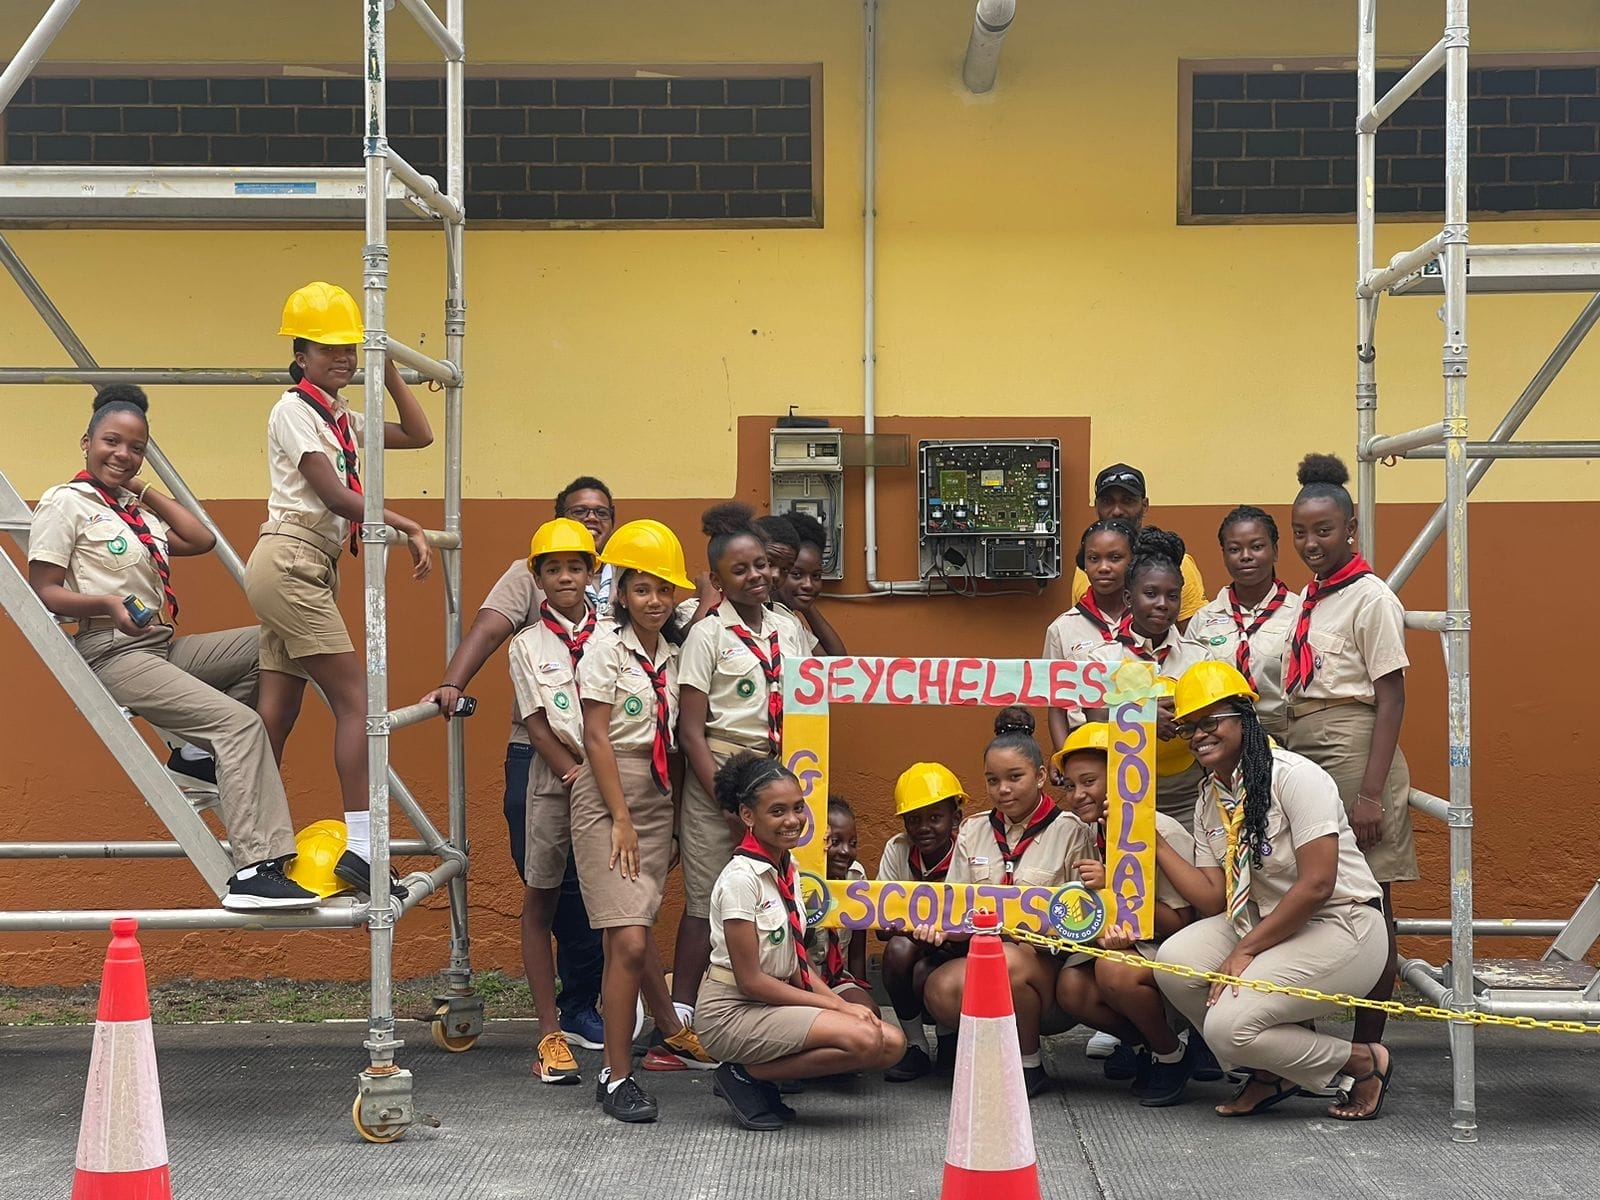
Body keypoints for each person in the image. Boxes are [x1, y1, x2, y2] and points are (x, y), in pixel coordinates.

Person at [28, 387, 317, 911]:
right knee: (240, 725)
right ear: (86, 442)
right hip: (111, 651)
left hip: (160, 648)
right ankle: (255, 870)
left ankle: (196, 760)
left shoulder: (131, 511)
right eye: (111, 442)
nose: (121, 454)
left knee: (275, 639)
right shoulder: (65, 502)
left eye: (135, 448)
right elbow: (43, 588)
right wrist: (107, 603)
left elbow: (199, 538)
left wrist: (142, 488)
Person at [243, 281, 433, 897]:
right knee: (358, 704)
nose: (343, 358)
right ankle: (362, 847)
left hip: (309, 565)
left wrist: (389, 371)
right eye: (329, 349)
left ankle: (253, 837)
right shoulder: (293, 409)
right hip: (290, 560)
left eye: (351, 348)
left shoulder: (340, 416)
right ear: (300, 355)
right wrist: (402, 521)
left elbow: (419, 433)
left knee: (279, 709)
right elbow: (331, 492)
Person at [419, 478, 615, 1053]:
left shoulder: (623, 573)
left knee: (597, 885)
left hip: (607, 752)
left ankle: (582, 1004)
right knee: (545, 877)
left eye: (600, 512)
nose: (591, 517)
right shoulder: (530, 572)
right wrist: (454, 679)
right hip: (537, 751)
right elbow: (490, 626)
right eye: (578, 511)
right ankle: (558, 1015)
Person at [1156, 661, 1394, 1120]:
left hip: (1343, 925)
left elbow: (1318, 884)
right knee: (1175, 965)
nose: (1198, 736)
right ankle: (1274, 1071)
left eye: (1210, 722)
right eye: (1188, 727)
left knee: (1227, 1027)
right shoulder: (1212, 796)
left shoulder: (1294, 775)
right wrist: (1156, 842)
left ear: (1244, 717)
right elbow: (1211, 898)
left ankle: (1363, 1062)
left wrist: (1245, 951)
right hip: (1265, 923)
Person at [568, 520, 716, 1123]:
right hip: (611, 799)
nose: (654, 601)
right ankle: (614, 1074)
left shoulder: (679, 655)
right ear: (621, 592)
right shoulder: (605, 649)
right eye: (641, 589)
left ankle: (661, 1034)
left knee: (631, 936)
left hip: (659, 800)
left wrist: (674, 820)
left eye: (664, 590)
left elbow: (680, 743)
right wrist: (622, 818)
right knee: (628, 939)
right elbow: (597, 738)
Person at [1282, 453, 1416, 1115]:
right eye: (1302, 533)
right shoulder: (1314, 597)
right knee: (1309, 891)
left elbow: (1391, 698)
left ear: (1351, 527)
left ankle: (1369, 1061)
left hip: (1358, 750)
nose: (1311, 544)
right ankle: (1304, 1059)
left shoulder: (1370, 596)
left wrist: (1368, 794)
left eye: (1324, 531)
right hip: (1309, 743)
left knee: (1372, 905)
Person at [698, 754, 905, 1131]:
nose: (792, 820)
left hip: (771, 1005)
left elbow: (795, 962)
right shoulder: (740, 880)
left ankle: (756, 1077)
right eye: (777, 811)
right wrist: (838, 1009)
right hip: (732, 1010)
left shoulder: (788, 869)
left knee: (889, 1042)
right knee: (861, 1037)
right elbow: (752, 981)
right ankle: (744, 1074)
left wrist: (839, 1003)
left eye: (797, 807)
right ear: (748, 816)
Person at [669, 503, 815, 1031]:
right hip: (720, 781)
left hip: (772, 783)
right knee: (707, 899)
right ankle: (681, 1019)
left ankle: (766, 1012)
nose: (757, 576)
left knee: (770, 900)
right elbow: (690, 731)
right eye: (741, 570)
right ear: (717, 580)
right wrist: (729, 804)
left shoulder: (788, 628)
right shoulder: (707, 635)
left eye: (761, 565)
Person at [918, 730, 1095, 1097]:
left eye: (1015, 777)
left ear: (1041, 776)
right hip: (984, 953)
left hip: (1046, 965)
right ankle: (994, 1059)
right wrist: (940, 928)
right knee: (939, 987)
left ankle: (1029, 1066)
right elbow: (955, 903)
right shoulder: (973, 829)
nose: (1003, 789)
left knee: (1009, 962)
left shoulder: (1070, 831)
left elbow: (1082, 915)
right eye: (993, 780)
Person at [1049, 722, 1215, 1106]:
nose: (1077, 794)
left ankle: (1172, 1056)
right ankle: (1152, 1045)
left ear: (1122, 778)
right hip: (1123, 947)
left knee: (1114, 971)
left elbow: (1183, 923)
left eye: (1089, 781)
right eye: (1070, 786)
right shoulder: (1091, 834)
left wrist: (1118, 893)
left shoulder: (1161, 831)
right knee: (1071, 987)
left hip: (1173, 954)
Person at [505, 518, 597, 1085]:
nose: (566, 577)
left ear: (593, 572)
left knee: (606, 903)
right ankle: (549, 1035)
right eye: (553, 568)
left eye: (576, 566)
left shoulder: (613, 634)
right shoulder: (526, 644)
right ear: (538, 577)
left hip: (607, 780)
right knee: (542, 899)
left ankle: (608, 1017)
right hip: (554, 780)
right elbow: (538, 727)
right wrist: (579, 777)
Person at [1086, 527, 1207, 821]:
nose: (1162, 604)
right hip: (1123, 792)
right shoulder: (1103, 659)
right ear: (1128, 598)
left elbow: (1213, 715)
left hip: (1190, 793)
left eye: (1172, 596)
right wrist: (1143, 714)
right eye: (1150, 594)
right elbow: (1094, 717)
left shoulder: (1198, 656)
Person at [876, 761, 964, 1082]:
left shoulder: (968, 852)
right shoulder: (897, 850)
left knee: (931, 968)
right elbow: (883, 925)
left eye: (935, 818)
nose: (923, 827)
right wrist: (915, 928)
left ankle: (949, 1040)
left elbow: (975, 920)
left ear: (956, 818)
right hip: (913, 944)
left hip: (957, 948)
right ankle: (916, 1045)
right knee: (898, 950)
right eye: (913, 819)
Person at [1185, 506, 1300, 738]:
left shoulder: (1300, 613)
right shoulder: (1203, 620)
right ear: (1224, 556)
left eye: (1257, 547)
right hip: (1222, 741)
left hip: (1288, 739)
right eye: (1235, 549)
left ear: (1275, 551)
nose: (1246, 556)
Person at [1071, 464, 1206, 630]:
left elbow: (1192, 634)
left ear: (1145, 505)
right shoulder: (1087, 566)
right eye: (1108, 502)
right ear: (1097, 507)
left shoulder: (1173, 562)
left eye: (1128, 501)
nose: (1117, 511)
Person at [1044, 518, 1138, 751]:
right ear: (1084, 564)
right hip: (1085, 744)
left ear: (1133, 561)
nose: (1104, 567)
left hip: (1142, 741)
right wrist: (1063, 754)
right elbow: (1056, 704)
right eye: (1094, 558)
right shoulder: (1062, 629)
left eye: (1115, 558)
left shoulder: (1148, 621)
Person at [805, 797, 875, 1011]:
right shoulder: (800, 880)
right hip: (801, 979)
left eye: (852, 843)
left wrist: (861, 989)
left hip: (836, 978)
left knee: (869, 1014)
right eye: (835, 842)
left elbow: (857, 946)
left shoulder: (856, 876)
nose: (846, 851)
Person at [779, 510, 846, 655]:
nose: (808, 584)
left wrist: (806, 606)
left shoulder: (792, 620)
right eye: (797, 574)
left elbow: (838, 662)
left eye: (816, 576)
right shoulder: (769, 619)